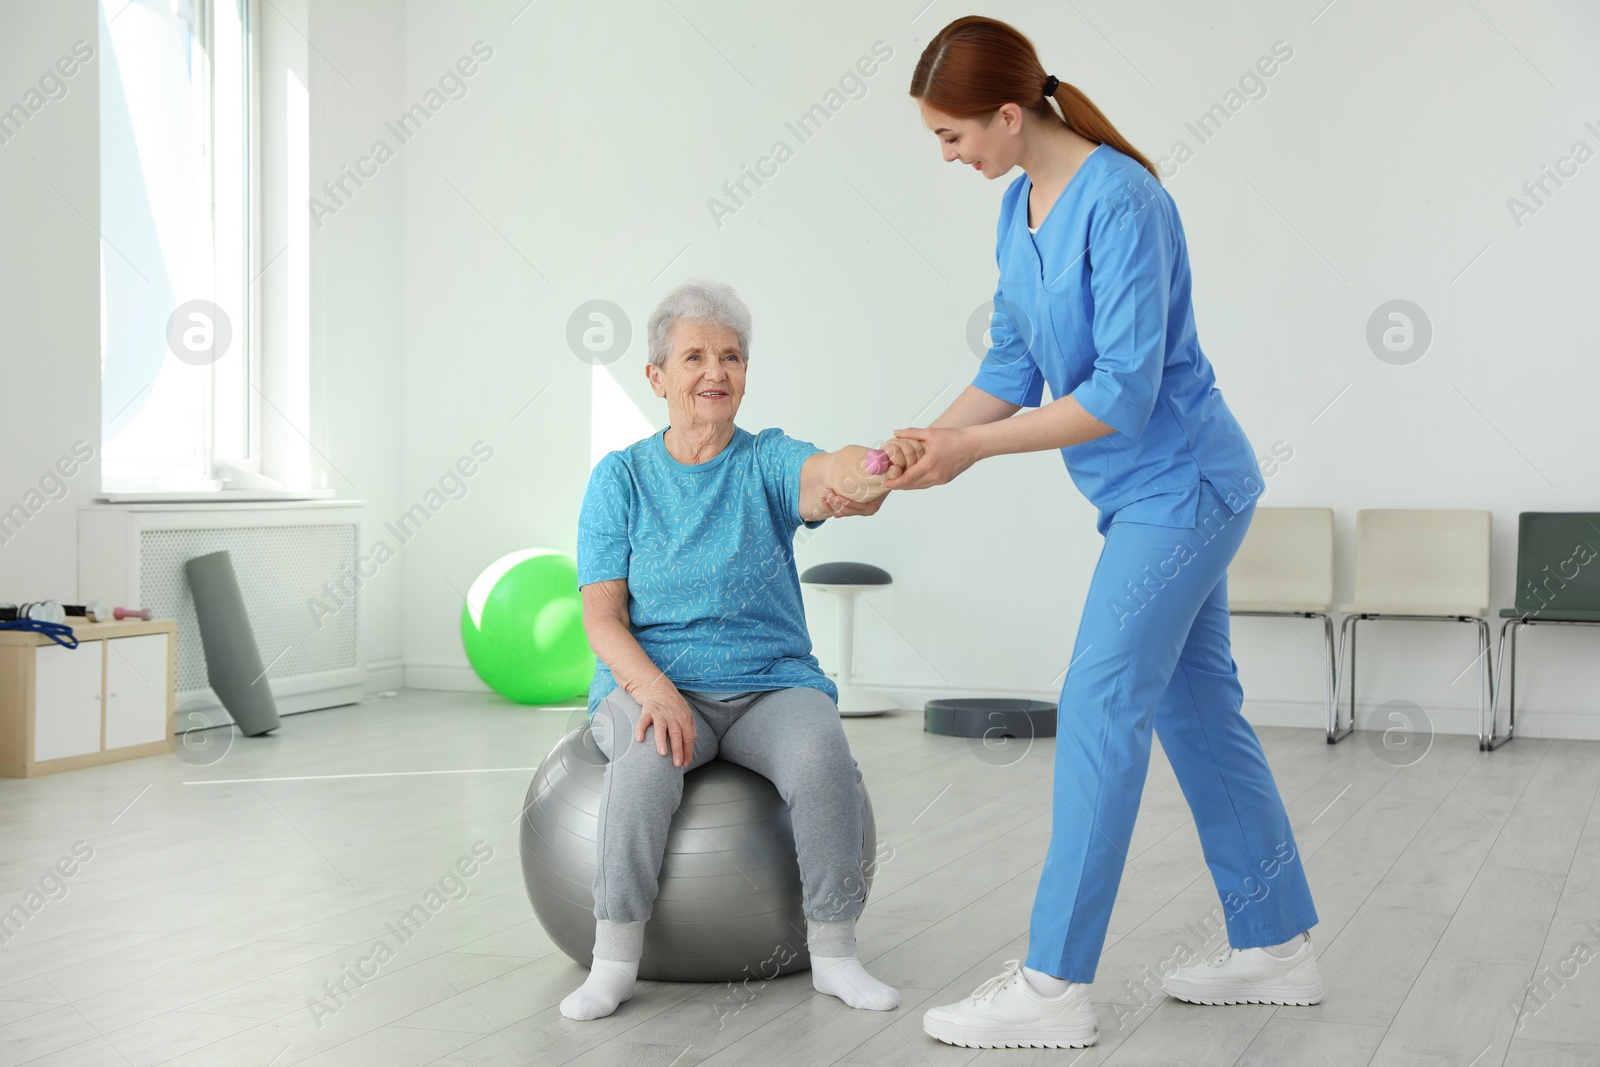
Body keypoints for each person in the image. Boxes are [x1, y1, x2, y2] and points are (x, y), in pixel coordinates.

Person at [836, 16, 1324, 1050]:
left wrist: (980, 451)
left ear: (1009, 115)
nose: (948, 156)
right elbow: (1011, 364)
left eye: (952, 135)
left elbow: (1121, 393)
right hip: (1146, 499)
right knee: (1198, 713)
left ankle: (1055, 982)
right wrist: (924, 446)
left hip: (1184, 485)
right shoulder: (1019, 210)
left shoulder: (1125, 200)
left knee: (1101, 702)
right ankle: (1277, 940)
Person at [562, 278, 916, 1022]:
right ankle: (614, 960)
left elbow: (826, 476)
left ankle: (836, 953)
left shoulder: (765, 460)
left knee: (824, 761)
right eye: (694, 357)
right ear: (657, 377)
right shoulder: (621, 478)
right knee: (643, 769)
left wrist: (871, 471)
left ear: (746, 374)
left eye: (731, 356)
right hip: (655, 680)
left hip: (770, 682)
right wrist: (653, 691)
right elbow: (601, 618)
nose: (715, 372)